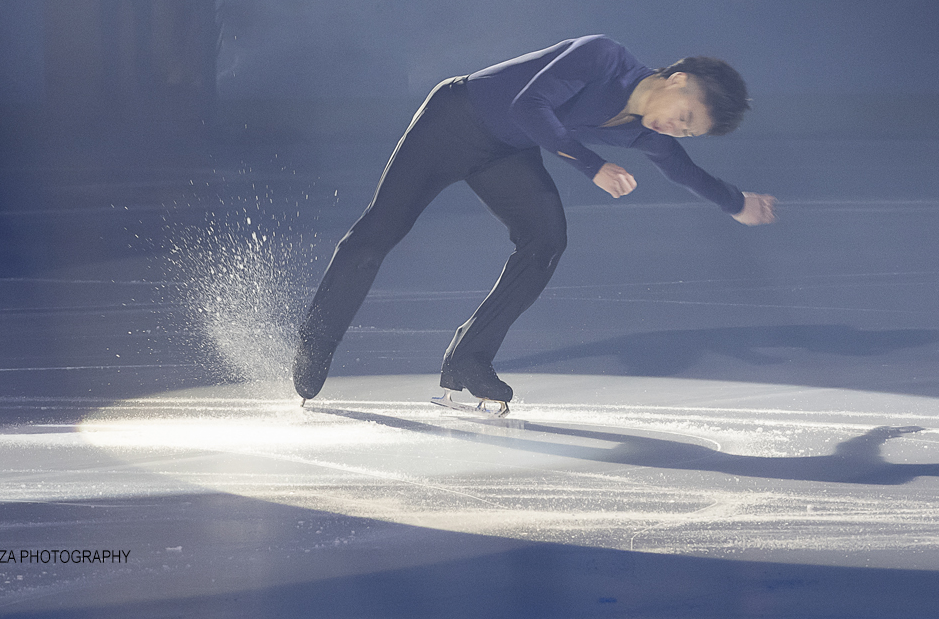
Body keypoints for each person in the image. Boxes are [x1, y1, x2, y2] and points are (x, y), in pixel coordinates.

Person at [292, 34, 778, 406]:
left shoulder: (645, 136)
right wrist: (593, 166)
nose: (677, 130)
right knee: (382, 229)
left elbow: (683, 170)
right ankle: (317, 341)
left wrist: (736, 203)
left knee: (544, 239)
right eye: (685, 116)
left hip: (504, 151)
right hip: (455, 120)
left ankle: (469, 358)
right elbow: (529, 105)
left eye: (689, 131)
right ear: (677, 80)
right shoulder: (603, 56)